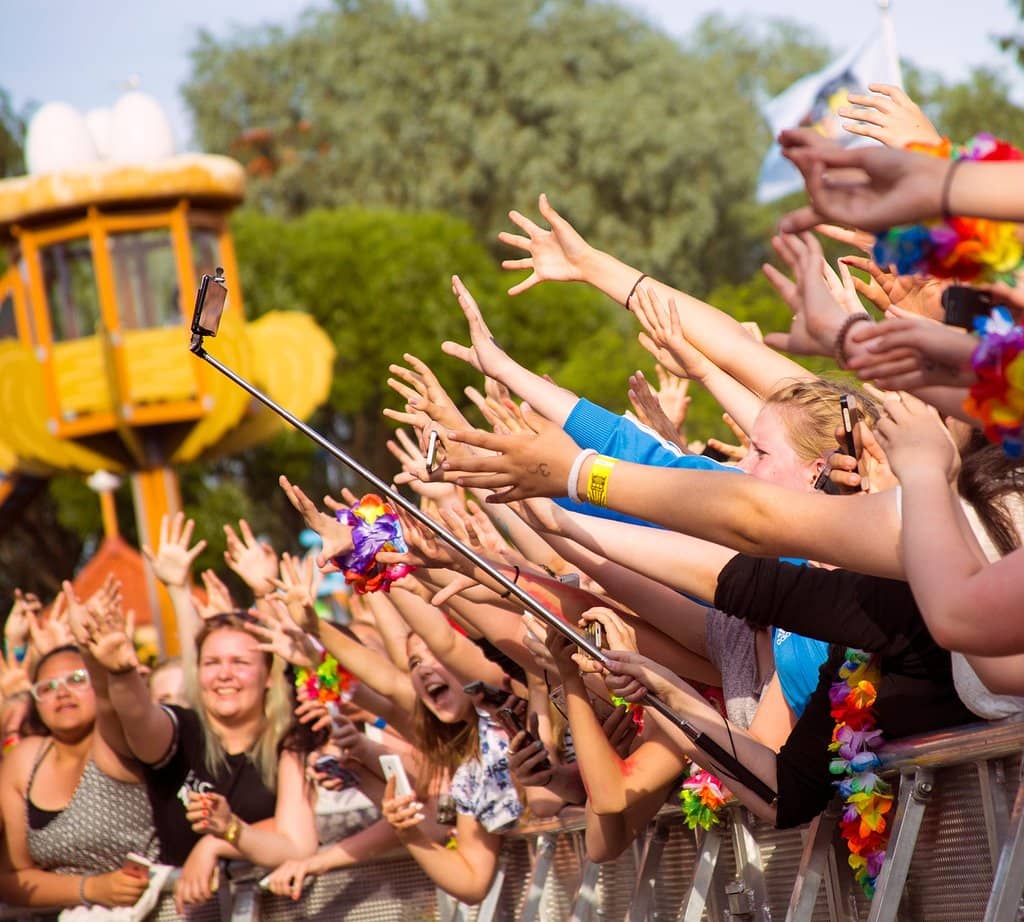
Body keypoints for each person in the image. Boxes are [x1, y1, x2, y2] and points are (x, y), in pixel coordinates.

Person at [79, 608, 318, 911]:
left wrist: (227, 834)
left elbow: (297, 846)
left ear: (268, 676)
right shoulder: (182, 730)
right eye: (212, 662)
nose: (224, 674)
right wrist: (122, 673)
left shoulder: (290, 743)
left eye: (240, 662)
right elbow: (138, 719)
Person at [0, 643, 157, 910]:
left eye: (77, 679)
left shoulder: (123, 741)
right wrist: (92, 888)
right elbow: (12, 877)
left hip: (154, 906)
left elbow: (121, 709)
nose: (62, 693)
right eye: (47, 688)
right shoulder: (25, 760)